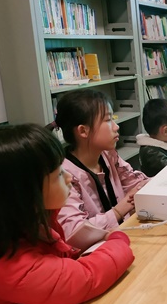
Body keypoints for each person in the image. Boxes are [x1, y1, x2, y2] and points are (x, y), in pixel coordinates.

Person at [0, 124, 135, 304]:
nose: (68, 178)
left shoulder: (19, 227)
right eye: (58, 174)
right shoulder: (2, 262)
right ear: (24, 195)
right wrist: (118, 240)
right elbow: (85, 278)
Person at [53, 89, 149, 239]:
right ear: (83, 131)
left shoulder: (108, 155)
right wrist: (119, 210)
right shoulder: (65, 174)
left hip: (121, 237)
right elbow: (75, 231)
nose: (116, 127)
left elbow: (135, 182)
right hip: (94, 249)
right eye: (108, 120)